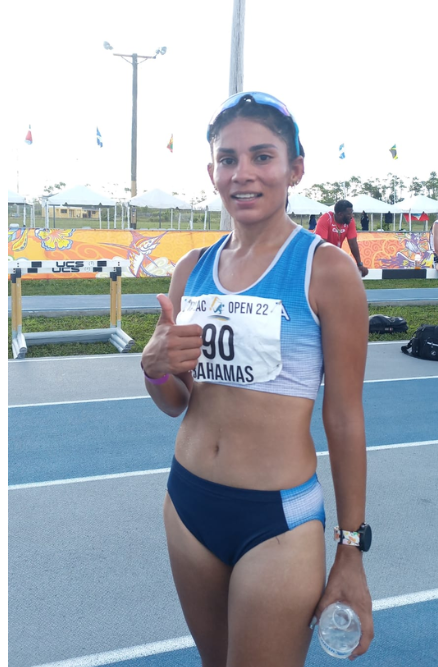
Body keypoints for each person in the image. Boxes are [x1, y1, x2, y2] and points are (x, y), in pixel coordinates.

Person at [141, 92, 372, 666]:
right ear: (212, 172)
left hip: (278, 520)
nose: (243, 173)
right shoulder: (190, 269)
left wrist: (350, 550)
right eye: (228, 159)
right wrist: (154, 367)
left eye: (263, 157)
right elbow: (175, 402)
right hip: (188, 502)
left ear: (295, 168)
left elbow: (343, 418)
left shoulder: (327, 270)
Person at [314, 199, 369, 276]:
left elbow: (353, 243)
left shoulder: (350, 221)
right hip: (321, 257)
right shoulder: (325, 219)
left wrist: (359, 264)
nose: (352, 216)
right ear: (340, 214)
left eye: (352, 213)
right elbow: (321, 246)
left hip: (335, 256)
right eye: (349, 214)